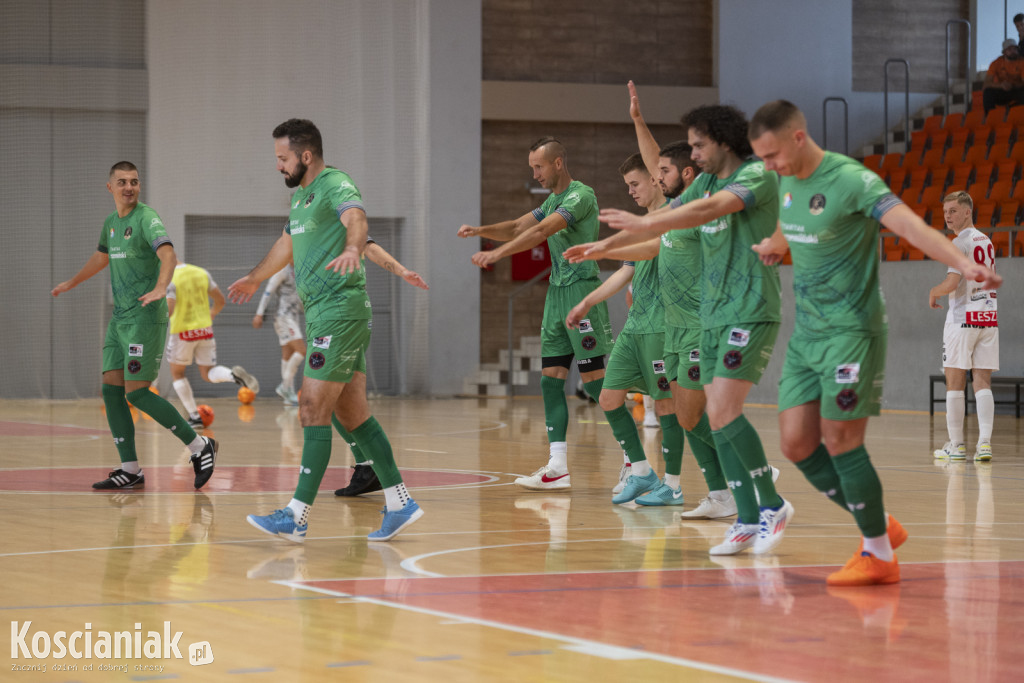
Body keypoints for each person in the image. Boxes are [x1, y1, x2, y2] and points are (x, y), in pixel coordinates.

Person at [746, 100, 1001, 586]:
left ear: (798, 138)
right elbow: (788, 224)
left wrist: (964, 265)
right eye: (761, 159)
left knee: (842, 440)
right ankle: (879, 523)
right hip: (808, 332)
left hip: (853, 330)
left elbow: (910, 225)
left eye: (773, 155)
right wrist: (776, 245)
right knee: (797, 444)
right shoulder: (785, 181)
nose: (769, 167)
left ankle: (878, 552)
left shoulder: (852, 180)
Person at [594, 104, 792, 557]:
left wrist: (642, 223)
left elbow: (715, 206)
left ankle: (769, 504)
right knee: (713, 415)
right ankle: (747, 514)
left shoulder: (755, 176)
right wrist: (606, 245)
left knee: (721, 409)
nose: (694, 153)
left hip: (749, 309)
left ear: (723, 141)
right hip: (714, 316)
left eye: (699, 144)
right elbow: (674, 209)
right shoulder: (702, 181)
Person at [228, 118, 423, 542]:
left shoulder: (335, 184)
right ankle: (400, 502)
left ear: (306, 156)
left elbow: (356, 219)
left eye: (283, 158)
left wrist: (354, 248)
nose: (278, 166)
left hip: (339, 311)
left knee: (312, 405)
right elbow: (285, 246)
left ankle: (296, 516)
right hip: (321, 313)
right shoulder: (300, 201)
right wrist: (253, 278)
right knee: (351, 414)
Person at [458, 137, 613, 491]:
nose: (534, 173)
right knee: (551, 378)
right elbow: (517, 227)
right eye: (532, 167)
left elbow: (542, 232)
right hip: (557, 294)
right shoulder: (552, 201)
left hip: (582, 290)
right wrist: (481, 232)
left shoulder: (579, 196)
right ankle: (557, 465)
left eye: (538, 167)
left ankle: (636, 464)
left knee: (598, 383)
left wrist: (498, 257)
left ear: (558, 163)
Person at [51, 161, 218, 490]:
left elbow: (168, 254)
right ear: (109, 187)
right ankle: (130, 469)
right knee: (111, 391)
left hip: (145, 317)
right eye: (122, 182)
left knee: (138, 393)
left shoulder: (147, 218)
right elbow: (102, 257)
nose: (130, 187)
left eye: (135, 182)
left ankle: (200, 446)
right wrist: (73, 281)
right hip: (120, 320)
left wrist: (160, 287)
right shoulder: (111, 223)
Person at [563, 153, 685, 506]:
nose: (630, 191)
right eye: (627, 186)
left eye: (635, 184)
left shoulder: (675, 217)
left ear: (655, 179)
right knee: (608, 397)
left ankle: (673, 485)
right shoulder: (645, 221)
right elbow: (626, 271)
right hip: (635, 327)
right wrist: (586, 302)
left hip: (663, 328)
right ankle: (642, 471)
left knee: (665, 408)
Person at [333, 236, 429, 498]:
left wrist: (402, 271)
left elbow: (367, 245)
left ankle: (387, 485)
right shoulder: (302, 216)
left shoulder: (339, 207)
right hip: (327, 316)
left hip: (344, 317)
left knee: (327, 400)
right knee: (337, 402)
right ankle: (372, 471)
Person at [929, 191, 999, 462]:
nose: (948, 216)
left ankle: (957, 445)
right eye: (946, 212)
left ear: (968, 211)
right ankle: (984, 444)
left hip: (963, 319)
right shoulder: (987, 241)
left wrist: (934, 292)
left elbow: (951, 282)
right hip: (988, 317)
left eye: (954, 211)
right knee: (982, 382)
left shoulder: (958, 243)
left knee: (955, 383)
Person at [167, 260, 259, 428]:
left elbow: (169, 309)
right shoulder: (201, 272)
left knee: (178, 374)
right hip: (205, 330)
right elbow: (220, 300)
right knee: (208, 372)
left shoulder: (167, 276)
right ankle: (233, 375)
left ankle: (194, 416)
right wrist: (211, 314)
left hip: (182, 331)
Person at [252, 263, 305, 406]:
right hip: (284, 317)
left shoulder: (300, 270)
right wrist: (259, 314)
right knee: (302, 350)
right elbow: (268, 292)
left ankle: (289, 396)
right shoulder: (282, 270)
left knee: (287, 355)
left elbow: (297, 297)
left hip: (294, 316)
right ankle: (285, 386)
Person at [982, 39, 1024, 114]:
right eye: (1010, 49)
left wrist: (1013, 85)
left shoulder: (1022, 62)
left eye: (1015, 49)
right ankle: (990, 116)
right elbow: (986, 84)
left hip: (1016, 89)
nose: (1013, 51)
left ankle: (1015, 109)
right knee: (988, 92)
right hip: (1002, 90)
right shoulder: (996, 63)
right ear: (1004, 52)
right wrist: (1001, 85)